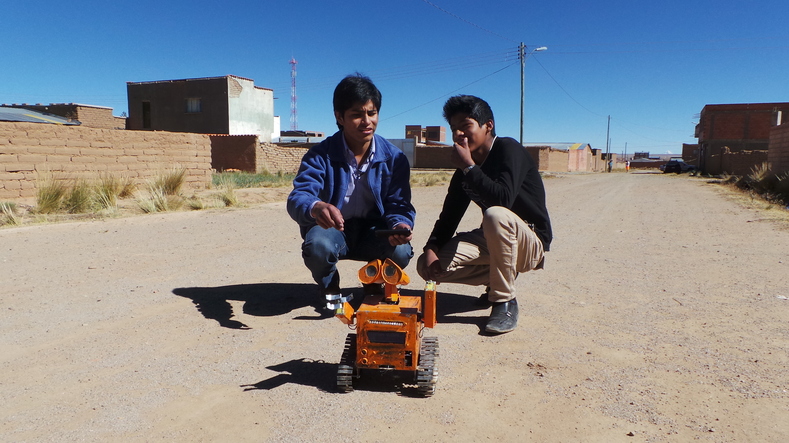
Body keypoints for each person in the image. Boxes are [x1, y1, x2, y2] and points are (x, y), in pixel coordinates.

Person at [417, 95, 552, 334]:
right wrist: (431, 248)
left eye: (466, 126)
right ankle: (496, 281)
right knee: (431, 266)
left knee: (495, 215)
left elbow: (502, 200)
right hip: (497, 240)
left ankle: (504, 301)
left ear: (488, 125)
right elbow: (449, 216)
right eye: (454, 129)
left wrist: (469, 167)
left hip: (529, 241)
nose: (460, 135)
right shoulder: (464, 170)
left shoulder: (508, 149)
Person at [287, 74, 415, 309]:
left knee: (401, 251)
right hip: (334, 230)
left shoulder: (395, 158)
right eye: (357, 114)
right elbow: (299, 197)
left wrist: (400, 225)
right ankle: (329, 286)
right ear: (339, 117)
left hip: (374, 232)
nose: (366, 121)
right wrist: (317, 207)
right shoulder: (320, 155)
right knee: (317, 246)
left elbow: (399, 204)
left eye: (372, 113)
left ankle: (374, 280)